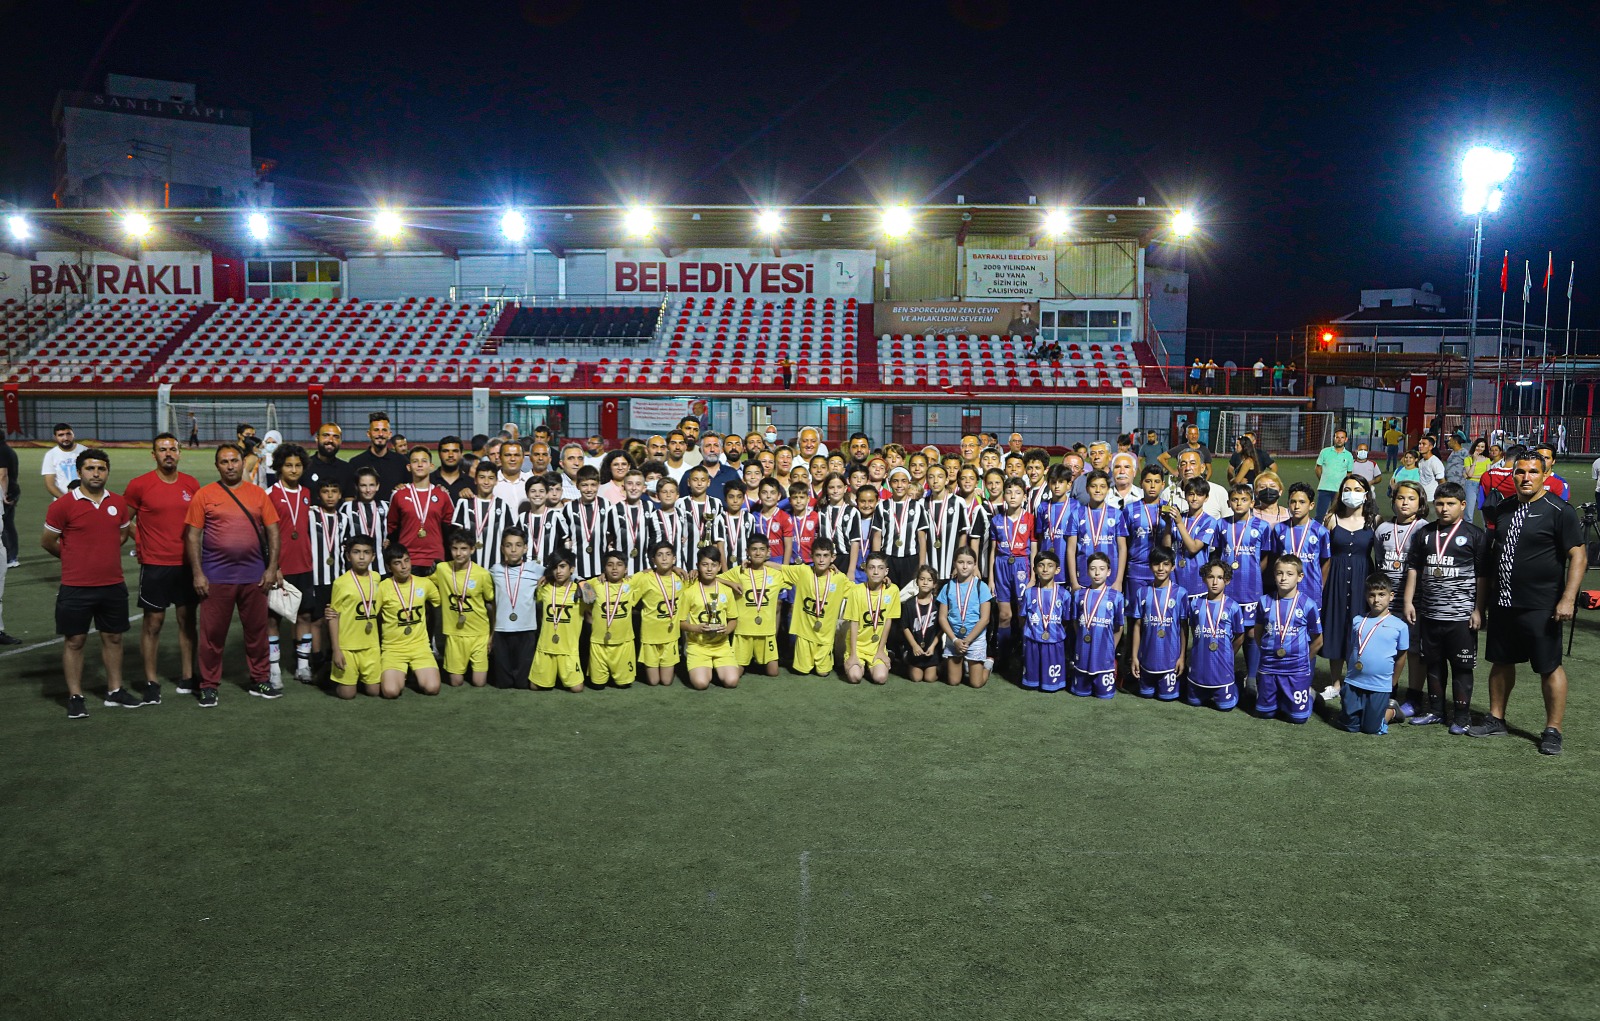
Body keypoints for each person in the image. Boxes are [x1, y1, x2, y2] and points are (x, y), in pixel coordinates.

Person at [1471, 453, 1586, 754]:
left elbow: (1578, 555)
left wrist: (1568, 598)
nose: (1526, 477)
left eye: (1533, 472)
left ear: (1546, 475)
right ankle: (1496, 718)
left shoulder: (1559, 510)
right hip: (1504, 601)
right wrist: (1483, 602)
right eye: (1520, 472)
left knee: (1549, 666)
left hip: (1542, 604)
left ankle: (1553, 730)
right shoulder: (1503, 508)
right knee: (1501, 661)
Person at [43, 448, 138, 718]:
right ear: (79, 471)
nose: (96, 473)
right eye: (90, 468)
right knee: (75, 640)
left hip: (112, 583)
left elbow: (122, 535)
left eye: (101, 469)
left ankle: (115, 690)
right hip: (76, 585)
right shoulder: (62, 505)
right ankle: (75, 696)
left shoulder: (118, 502)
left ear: (107, 472)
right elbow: (47, 541)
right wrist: (74, 558)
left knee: (114, 637)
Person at [185, 443, 282, 706]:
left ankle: (260, 679)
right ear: (217, 466)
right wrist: (198, 574)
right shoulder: (204, 495)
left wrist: (271, 568)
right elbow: (192, 536)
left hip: (255, 576)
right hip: (216, 577)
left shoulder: (258, 494)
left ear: (243, 463)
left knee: (257, 633)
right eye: (224, 462)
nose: (230, 466)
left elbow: (273, 531)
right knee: (212, 636)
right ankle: (208, 685)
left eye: (234, 461)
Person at [1401, 482, 1488, 732]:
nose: (1444, 508)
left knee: (1462, 666)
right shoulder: (1425, 533)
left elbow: (1483, 576)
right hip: (1430, 613)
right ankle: (1436, 711)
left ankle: (1461, 717)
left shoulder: (1474, 535)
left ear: (1463, 505)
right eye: (1439, 503)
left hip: (1461, 616)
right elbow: (1414, 569)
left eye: (1450, 504)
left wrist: (1478, 609)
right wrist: (1408, 601)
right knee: (1433, 663)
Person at [123, 432, 202, 700]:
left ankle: (188, 676)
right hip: (155, 564)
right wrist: (142, 538)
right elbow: (123, 519)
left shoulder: (191, 484)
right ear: (154, 454)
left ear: (179, 453)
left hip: (186, 563)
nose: (168, 454)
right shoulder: (139, 485)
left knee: (187, 621)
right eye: (162, 449)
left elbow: (199, 523)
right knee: (153, 623)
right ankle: (151, 681)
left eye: (172, 449)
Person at [1319, 474, 1379, 702]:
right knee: (1336, 627)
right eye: (1347, 489)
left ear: (1366, 494)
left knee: (1358, 630)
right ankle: (1335, 683)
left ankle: (1355, 682)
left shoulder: (1375, 520)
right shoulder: (1331, 519)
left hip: (1362, 579)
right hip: (1335, 578)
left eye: (1357, 489)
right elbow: (1323, 555)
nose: (1351, 493)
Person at [267, 443, 316, 687]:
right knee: (273, 619)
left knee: (304, 615)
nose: (294, 470)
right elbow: (264, 535)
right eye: (288, 465)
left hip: (305, 565)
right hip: (280, 567)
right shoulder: (269, 494)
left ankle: (303, 666)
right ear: (279, 467)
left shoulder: (307, 493)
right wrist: (272, 566)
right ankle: (274, 669)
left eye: (298, 465)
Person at [1253, 554, 1322, 723]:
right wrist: (1267, 652)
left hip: (1296, 669)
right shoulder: (1264, 601)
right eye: (1279, 573)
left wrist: (1303, 659)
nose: (1283, 578)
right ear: (1274, 575)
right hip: (1269, 667)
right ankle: (1279, 700)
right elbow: (1258, 633)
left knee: (1298, 719)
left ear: (1300, 577)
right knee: (1265, 713)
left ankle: (1310, 696)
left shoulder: (1308, 604)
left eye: (1290, 574)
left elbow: (1318, 640)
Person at [1339, 577, 1410, 735]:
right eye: (1372, 595)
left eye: (1381, 594)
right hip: (1353, 681)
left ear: (1391, 596)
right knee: (1350, 727)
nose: (1376, 599)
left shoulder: (1400, 626)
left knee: (1371, 729)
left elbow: (1401, 657)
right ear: (1366, 596)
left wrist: (1393, 682)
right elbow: (1352, 649)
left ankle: (1392, 711)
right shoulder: (1358, 621)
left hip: (1379, 684)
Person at [375, 545, 441, 697]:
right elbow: (370, 615)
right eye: (397, 563)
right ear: (389, 567)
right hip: (393, 649)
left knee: (432, 688)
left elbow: (441, 602)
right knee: (390, 692)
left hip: (420, 647)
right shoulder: (382, 588)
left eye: (406, 560)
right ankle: (404, 674)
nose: (404, 566)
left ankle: (414, 674)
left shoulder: (424, 584)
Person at [779, 537, 851, 677]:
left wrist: (882, 582)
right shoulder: (803, 571)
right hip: (805, 635)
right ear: (811, 556)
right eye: (818, 555)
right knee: (802, 671)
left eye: (825, 556)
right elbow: (779, 568)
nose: (821, 560)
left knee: (823, 673)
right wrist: (756, 563)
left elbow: (860, 591)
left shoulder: (839, 578)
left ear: (833, 558)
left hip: (825, 637)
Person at [1183, 561, 1247, 710]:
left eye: (1220, 577)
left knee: (1225, 707)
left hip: (1222, 668)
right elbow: (1194, 630)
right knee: (1193, 702)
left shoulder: (1233, 607)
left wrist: (1229, 653)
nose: (1215, 582)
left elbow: (1240, 636)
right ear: (1204, 579)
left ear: (1227, 580)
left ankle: (1237, 682)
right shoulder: (1195, 604)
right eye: (1211, 577)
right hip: (1199, 668)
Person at [719, 534, 785, 679]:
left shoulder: (776, 574)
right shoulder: (739, 571)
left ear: (768, 552)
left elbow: (800, 572)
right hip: (744, 631)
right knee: (735, 675)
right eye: (754, 549)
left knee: (773, 672)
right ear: (747, 551)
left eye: (762, 549)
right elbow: (714, 578)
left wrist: (767, 564)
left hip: (766, 632)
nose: (758, 553)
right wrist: (731, 583)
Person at [435, 529, 494, 688]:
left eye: (463, 549)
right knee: (456, 682)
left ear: (472, 549)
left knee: (479, 683)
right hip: (455, 634)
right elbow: (424, 582)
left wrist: (492, 634)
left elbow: (490, 604)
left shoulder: (482, 574)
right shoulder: (442, 569)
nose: (458, 553)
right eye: (454, 548)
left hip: (479, 633)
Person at [326, 534, 384, 698]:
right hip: (348, 647)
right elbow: (333, 617)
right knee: (347, 695)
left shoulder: (377, 578)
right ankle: (330, 676)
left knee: (374, 692)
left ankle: (355, 678)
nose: (361, 557)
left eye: (366, 552)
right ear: (348, 556)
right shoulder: (341, 583)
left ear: (373, 556)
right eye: (356, 552)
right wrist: (336, 650)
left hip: (371, 645)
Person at [679, 547, 740, 689]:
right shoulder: (689, 592)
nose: (709, 569)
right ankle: (706, 670)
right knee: (701, 684)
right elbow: (680, 623)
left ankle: (715, 669)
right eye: (705, 564)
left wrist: (726, 630)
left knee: (732, 682)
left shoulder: (726, 591)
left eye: (713, 565)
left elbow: (733, 619)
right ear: (698, 566)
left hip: (721, 645)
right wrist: (696, 628)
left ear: (719, 566)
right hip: (698, 646)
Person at [489, 527, 542, 689]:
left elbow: (564, 573)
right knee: (503, 684)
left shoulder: (536, 569)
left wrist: (582, 582)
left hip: (526, 629)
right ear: (502, 548)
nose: (513, 549)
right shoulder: (495, 570)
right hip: (502, 630)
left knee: (522, 683)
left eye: (518, 545)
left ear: (525, 548)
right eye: (508, 545)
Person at [1069, 552, 1125, 698]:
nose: (1097, 573)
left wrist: (1111, 647)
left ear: (1109, 572)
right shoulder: (1079, 595)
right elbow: (1075, 622)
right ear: (1087, 571)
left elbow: (1119, 627)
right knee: (1080, 694)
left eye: (1102, 568)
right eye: (1093, 569)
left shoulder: (1116, 596)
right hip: (1083, 653)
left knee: (1105, 697)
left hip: (1104, 655)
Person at [579, 551, 638, 688]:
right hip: (599, 643)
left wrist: (676, 568)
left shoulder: (632, 583)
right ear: (604, 569)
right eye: (610, 565)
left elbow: (651, 573)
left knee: (624, 685)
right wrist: (581, 581)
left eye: (619, 564)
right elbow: (577, 582)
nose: (615, 568)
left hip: (624, 643)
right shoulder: (595, 583)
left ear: (626, 569)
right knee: (597, 686)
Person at [843, 552, 900, 685]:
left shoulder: (893, 591)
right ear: (865, 569)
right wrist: (853, 655)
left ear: (886, 571)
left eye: (880, 568)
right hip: (857, 646)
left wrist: (881, 651)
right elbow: (854, 624)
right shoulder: (856, 591)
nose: (875, 572)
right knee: (855, 677)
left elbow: (888, 621)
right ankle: (860, 665)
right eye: (871, 567)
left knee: (880, 678)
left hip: (876, 647)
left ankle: (871, 666)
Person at [939, 547, 992, 687]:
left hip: (975, 639)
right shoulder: (947, 587)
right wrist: (955, 640)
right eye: (960, 562)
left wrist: (968, 640)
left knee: (976, 684)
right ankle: (961, 664)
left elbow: (985, 619)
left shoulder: (982, 587)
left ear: (975, 565)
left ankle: (988, 665)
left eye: (969, 563)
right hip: (954, 639)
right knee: (953, 681)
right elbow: (942, 618)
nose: (964, 566)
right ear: (954, 564)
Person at [347, 412, 408, 499]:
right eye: (376, 430)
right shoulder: (356, 463)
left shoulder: (401, 462)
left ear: (389, 434)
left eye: (384, 430)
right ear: (369, 434)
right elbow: (350, 495)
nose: (380, 434)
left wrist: (405, 488)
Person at [901, 565, 944, 682]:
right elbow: (905, 627)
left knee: (930, 678)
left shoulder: (938, 604)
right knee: (917, 678)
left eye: (929, 580)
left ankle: (940, 666)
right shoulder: (909, 604)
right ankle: (906, 660)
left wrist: (933, 646)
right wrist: (914, 645)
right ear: (917, 582)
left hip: (932, 649)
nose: (925, 583)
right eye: (922, 579)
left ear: (934, 584)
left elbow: (941, 628)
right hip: (915, 649)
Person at [1313, 429, 1354, 519]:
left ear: (1346, 439)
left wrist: (1343, 486)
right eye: (1337, 437)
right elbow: (1318, 468)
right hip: (1324, 488)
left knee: (1337, 516)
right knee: (1320, 515)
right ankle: (1318, 528)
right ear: (1334, 438)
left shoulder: (1349, 455)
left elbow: (1349, 473)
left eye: (1342, 437)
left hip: (1339, 490)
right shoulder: (1325, 452)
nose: (1339, 440)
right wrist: (1323, 479)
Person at [304, 422, 352, 500]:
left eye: (336, 437)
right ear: (317, 438)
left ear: (340, 441)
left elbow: (349, 499)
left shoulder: (347, 469)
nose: (330, 440)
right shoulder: (304, 466)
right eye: (326, 435)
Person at [41, 423, 87, 499]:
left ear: (73, 435)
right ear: (55, 437)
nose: (65, 438)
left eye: (68, 434)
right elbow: (50, 484)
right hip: (62, 500)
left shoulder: (85, 451)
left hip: (85, 499)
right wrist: (66, 500)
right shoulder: (50, 455)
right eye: (61, 435)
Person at [0, 427, 20, 568]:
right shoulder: (7, 449)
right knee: (8, 524)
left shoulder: (1, 451)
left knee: (5, 526)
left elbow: (3, 475)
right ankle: (11, 556)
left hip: (6, 493)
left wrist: (3, 494)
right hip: (12, 490)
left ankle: (10, 557)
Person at [1415, 435, 1446, 502]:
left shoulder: (1435, 462)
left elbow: (1442, 482)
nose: (1420, 446)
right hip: (1422, 497)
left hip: (1432, 498)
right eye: (1420, 444)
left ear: (1431, 447)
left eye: (1424, 444)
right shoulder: (1421, 462)